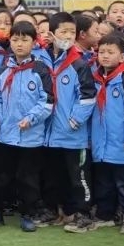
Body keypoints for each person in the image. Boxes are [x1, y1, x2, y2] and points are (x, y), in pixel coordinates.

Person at [0, 20, 54, 232]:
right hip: (5, 135)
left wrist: (31, 118)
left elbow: (47, 102)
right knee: (0, 176)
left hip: (31, 136)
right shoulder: (5, 69)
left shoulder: (40, 70)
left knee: (27, 179)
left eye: (25, 40)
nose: (19, 44)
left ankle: (28, 214)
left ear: (34, 42)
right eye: (15, 39)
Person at [42, 12, 96, 230]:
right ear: (52, 34)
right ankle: (63, 212)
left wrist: (75, 120)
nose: (67, 36)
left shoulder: (79, 64)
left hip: (73, 133)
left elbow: (88, 96)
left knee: (78, 177)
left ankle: (83, 213)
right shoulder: (42, 60)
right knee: (55, 177)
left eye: (71, 32)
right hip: (49, 133)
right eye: (63, 31)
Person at [85, 33, 124, 235]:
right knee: (103, 181)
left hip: (123, 142)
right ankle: (105, 214)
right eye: (101, 52)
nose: (105, 56)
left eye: (111, 52)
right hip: (101, 142)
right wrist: (91, 139)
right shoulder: (94, 80)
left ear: (122, 57)